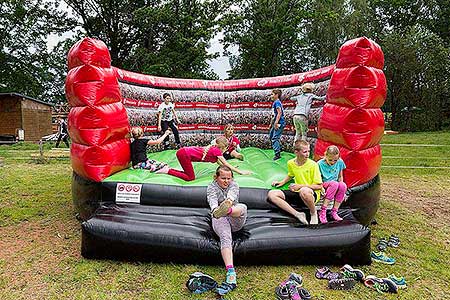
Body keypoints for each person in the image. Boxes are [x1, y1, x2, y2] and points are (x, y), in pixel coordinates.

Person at [207, 165, 247, 295]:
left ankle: (226, 210)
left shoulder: (234, 185)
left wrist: (228, 204)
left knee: (242, 207)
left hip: (234, 218)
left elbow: (232, 195)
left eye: (228, 178)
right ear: (216, 177)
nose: (226, 181)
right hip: (220, 219)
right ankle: (230, 271)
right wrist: (215, 210)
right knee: (225, 237)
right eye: (223, 178)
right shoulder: (211, 187)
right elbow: (212, 200)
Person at [267, 140, 322, 225]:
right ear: (296, 152)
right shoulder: (291, 163)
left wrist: (299, 186)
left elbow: (319, 186)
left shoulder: (313, 165)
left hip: (311, 194)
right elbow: (291, 175)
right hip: (298, 192)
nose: (307, 154)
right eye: (305, 152)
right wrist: (281, 182)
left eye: (308, 151)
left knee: (304, 190)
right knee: (272, 194)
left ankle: (313, 213)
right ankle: (298, 214)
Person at [158, 136, 252, 181]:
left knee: (189, 175)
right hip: (184, 154)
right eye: (226, 148)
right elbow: (225, 163)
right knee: (190, 177)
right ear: (223, 147)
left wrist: (232, 168)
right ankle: (167, 170)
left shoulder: (214, 150)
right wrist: (241, 172)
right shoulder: (217, 151)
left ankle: (166, 168)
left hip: (183, 152)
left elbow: (222, 164)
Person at [317, 145, 347, 223]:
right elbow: (318, 179)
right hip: (324, 184)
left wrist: (342, 190)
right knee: (334, 184)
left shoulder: (340, 162)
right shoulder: (319, 164)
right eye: (330, 160)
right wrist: (321, 188)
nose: (332, 162)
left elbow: (340, 177)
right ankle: (323, 210)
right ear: (325, 155)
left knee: (343, 185)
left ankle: (334, 211)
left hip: (335, 184)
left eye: (335, 160)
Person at [269, 89, 285, 160]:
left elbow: (279, 113)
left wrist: (276, 123)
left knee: (275, 138)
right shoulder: (275, 103)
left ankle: (277, 154)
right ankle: (278, 148)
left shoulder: (277, 102)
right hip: (275, 122)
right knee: (271, 135)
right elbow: (274, 115)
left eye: (272, 94)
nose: (271, 96)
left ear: (276, 95)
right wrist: (271, 123)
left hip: (279, 123)